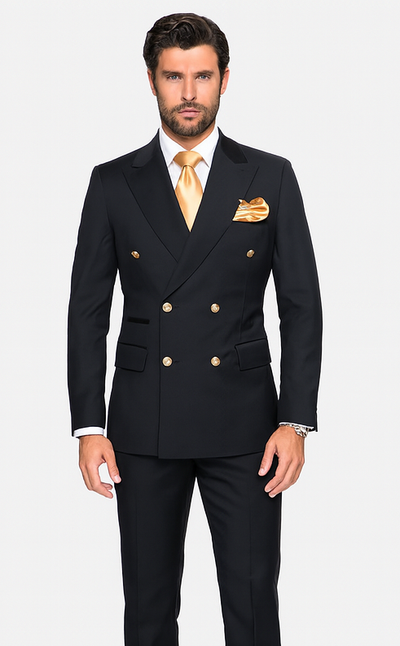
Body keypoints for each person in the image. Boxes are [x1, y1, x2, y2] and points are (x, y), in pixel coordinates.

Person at [68, 13, 322, 646]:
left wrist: (295, 421)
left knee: (254, 606)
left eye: (202, 76)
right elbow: (87, 311)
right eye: (173, 77)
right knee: (147, 611)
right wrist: (89, 427)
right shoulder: (112, 182)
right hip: (142, 424)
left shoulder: (269, 175)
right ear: (151, 80)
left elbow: (301, 305)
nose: (188, 93)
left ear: (225, 79)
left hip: (248, 427)